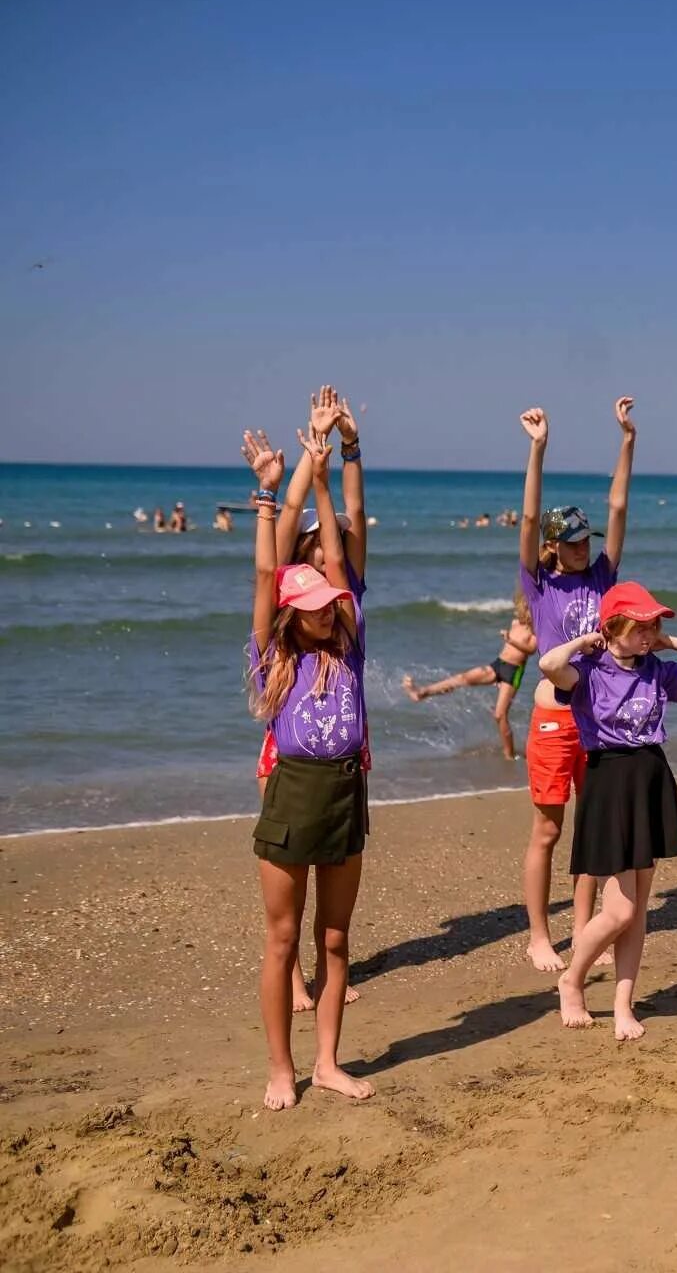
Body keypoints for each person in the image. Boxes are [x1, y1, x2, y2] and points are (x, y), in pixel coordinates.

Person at [239, 426, 373, 1111]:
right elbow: (266, 574)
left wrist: (324, 474)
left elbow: (344, 563)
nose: (326, 613)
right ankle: (281, 1068)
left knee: (336, 938)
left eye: (330, 604)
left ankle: (326, 1063)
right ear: (291, 615)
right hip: (292, 794)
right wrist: (268, 492)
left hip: (347, 791)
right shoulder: (273, 656)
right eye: (313, 608)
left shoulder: (348, 644)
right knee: (284, 937)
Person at [539, 583, 677, 1038]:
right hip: (609, 783)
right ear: (612, 628)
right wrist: (584, 642)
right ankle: (571, 979)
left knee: (639, 908)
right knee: (619, 912)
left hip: (651, 778)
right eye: (641, 625)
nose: (650, 633)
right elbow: (549, 665)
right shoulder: (587, 672)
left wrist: (673, 643)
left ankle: (624, 1004)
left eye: (655, 624)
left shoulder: (659, 671)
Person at [515, 397, 636, 973]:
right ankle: (539, 934)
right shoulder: (539, 584)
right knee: (547, 828)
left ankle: (586, 927)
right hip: (552, 715)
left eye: (586, 540)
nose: (584, 548)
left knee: (592, 829)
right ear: (554, 545)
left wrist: (627, 441)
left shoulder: (602, 575)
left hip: (601, 717)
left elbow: (618, 507)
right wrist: (538, 449)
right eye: (573, 542)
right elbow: (528, 515)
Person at [270, 386, 372, 1014]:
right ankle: (294, 977)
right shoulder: (286, 589)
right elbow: (284, 533)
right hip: (287, 746)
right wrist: (312, 464)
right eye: (316, 545)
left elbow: (347, 526)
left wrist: (349, 450)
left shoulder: (348, 605)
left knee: (332, 875)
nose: (324, 549)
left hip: (341, 750)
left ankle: (317, 965)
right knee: (291, 868)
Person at [403, 593, 539, 759]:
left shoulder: (536, 628)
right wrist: (509, 641)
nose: (521, 612)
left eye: (525, 608)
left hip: (513, 672)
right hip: (498, 665)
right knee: (462, 678)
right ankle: (422, 692)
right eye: (520, 607)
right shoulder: (515, 623)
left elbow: (531, 649)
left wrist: (511, 640)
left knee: (499, 715)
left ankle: (509, 755)